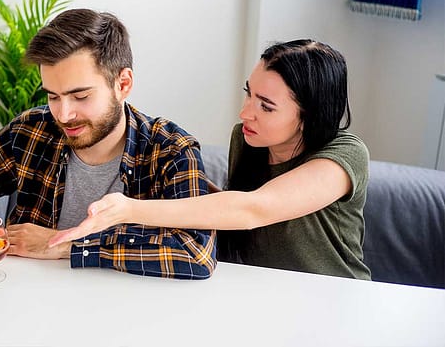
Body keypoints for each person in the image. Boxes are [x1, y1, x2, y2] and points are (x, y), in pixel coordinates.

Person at [0, 8, 216, 280]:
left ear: (123, 84)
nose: (64, 115)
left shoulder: (170, 149)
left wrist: (64, 245)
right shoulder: (30, 131)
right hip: (27, 307)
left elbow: (196, 252)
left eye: (80, 97)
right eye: (53, 96)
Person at [49, 39, 371, 280]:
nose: (246, 113)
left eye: (266, 106)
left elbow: (254, 209)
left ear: (308, 116)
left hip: (334, 300)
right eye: (249, 94)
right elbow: (232, 208)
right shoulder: (247, 140)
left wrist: (127, 209)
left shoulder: (345, 156)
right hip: (265, 295)